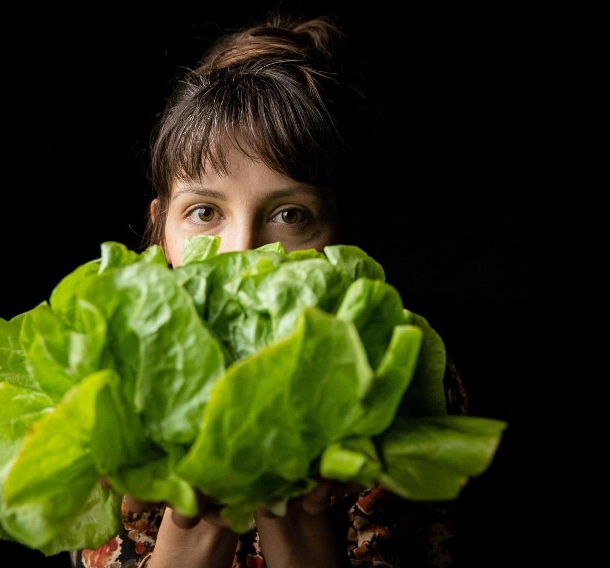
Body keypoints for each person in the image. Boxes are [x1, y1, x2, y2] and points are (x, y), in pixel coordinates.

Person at [70, 10, 468, 568]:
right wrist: (201, 520)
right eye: (205, 211)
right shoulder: (108, 373)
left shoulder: (397, 376)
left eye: (289, 215)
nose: (241, 251)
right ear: (160, 231)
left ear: (343, 239)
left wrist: (295, 516)